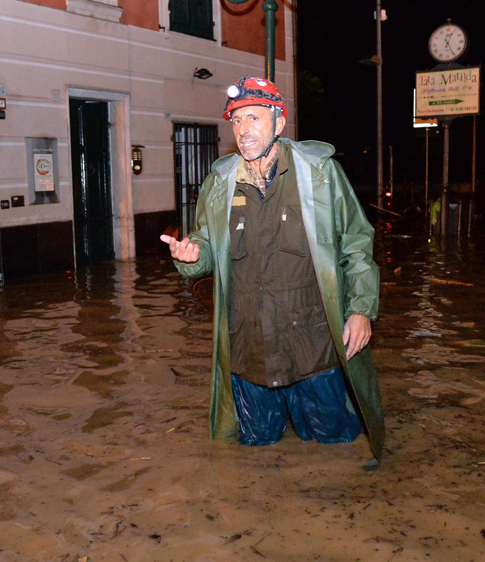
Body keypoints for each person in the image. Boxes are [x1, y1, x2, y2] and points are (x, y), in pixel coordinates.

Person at [160, 77, 383, 461]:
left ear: (279, 123)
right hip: (250, 354)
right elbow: (208, 246)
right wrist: (192, 257)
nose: (244, 130)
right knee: (255, 456)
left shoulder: (320, 174)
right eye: (236, 121)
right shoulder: (220, 184)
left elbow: (356, 243)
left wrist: (361, 310)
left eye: (254, 118)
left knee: (335, 450)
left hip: (313, 348)